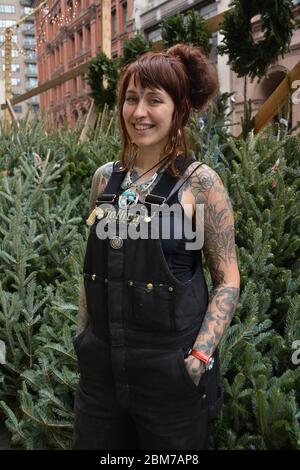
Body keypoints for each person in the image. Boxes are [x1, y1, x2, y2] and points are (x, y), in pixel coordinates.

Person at [72, 43, 240, 450]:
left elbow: (227, 278)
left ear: (179, 109)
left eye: (154, 100)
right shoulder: (104, 180)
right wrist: (82, 333)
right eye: (131, 99)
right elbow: (92, 263)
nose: (139, 112)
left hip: (170, 378)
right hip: (101, 378)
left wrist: (199, 357)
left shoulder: (200, 184)